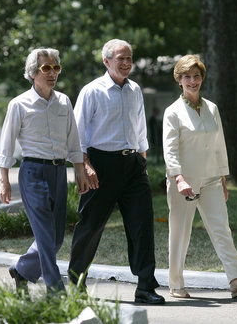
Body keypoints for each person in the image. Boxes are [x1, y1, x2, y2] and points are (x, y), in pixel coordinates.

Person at [68, 39, 165, 305]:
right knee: (90, 226)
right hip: (100, 165)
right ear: (106, 61)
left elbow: (140, 129)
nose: (126, 63)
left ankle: (145, 287)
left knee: (142, 226)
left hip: (133, 166)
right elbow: (77, 134)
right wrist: (84, 166)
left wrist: (142, 164)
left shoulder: (134, 90)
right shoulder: (92, 91)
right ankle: (76, 284)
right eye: (120, 58)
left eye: (129, 58)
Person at [162, 54, 237, 299]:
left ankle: (236, 280)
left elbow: (219, 146)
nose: (192, 81)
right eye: (187, 77)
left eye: (196, 76)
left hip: (212, 180)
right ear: (179, 80)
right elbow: (170, 150)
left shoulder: (212, 108)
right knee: (180, 232)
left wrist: (223, 179)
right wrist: (179, 179)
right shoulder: (173, 112)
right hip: (183, 181)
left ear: (202, 78)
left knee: (221, 229)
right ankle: (175, 284)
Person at [0, 48, 90, 296]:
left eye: (56, 68)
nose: (52, 73)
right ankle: (54, 288)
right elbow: (6, 145)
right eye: (46, 68)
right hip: (33, 173)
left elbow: (73, 140)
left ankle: (22, 268)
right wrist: (4, 180)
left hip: (59, 173)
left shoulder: (64, 101)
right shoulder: (19, 104)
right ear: (32, 72)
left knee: (56, 237)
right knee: (46, 236)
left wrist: (79, 169)